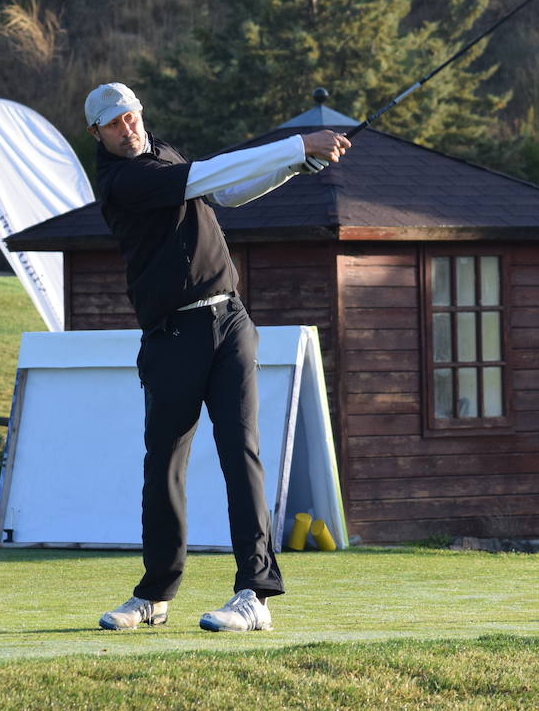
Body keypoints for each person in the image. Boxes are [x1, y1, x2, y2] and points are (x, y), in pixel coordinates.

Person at [86, 82, 350, 633]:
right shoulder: (122, 180)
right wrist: (297, 145)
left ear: (141, 112)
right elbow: (209, 176)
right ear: (98, 134)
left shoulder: (165, 155)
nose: (127, 127)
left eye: (130, 115)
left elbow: (226, 194)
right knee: (165, 464)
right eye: (114, 123)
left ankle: (255, 594)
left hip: (230, 321)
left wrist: (293, 168)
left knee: (240, 452)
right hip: (171, 335)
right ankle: (154, 595)